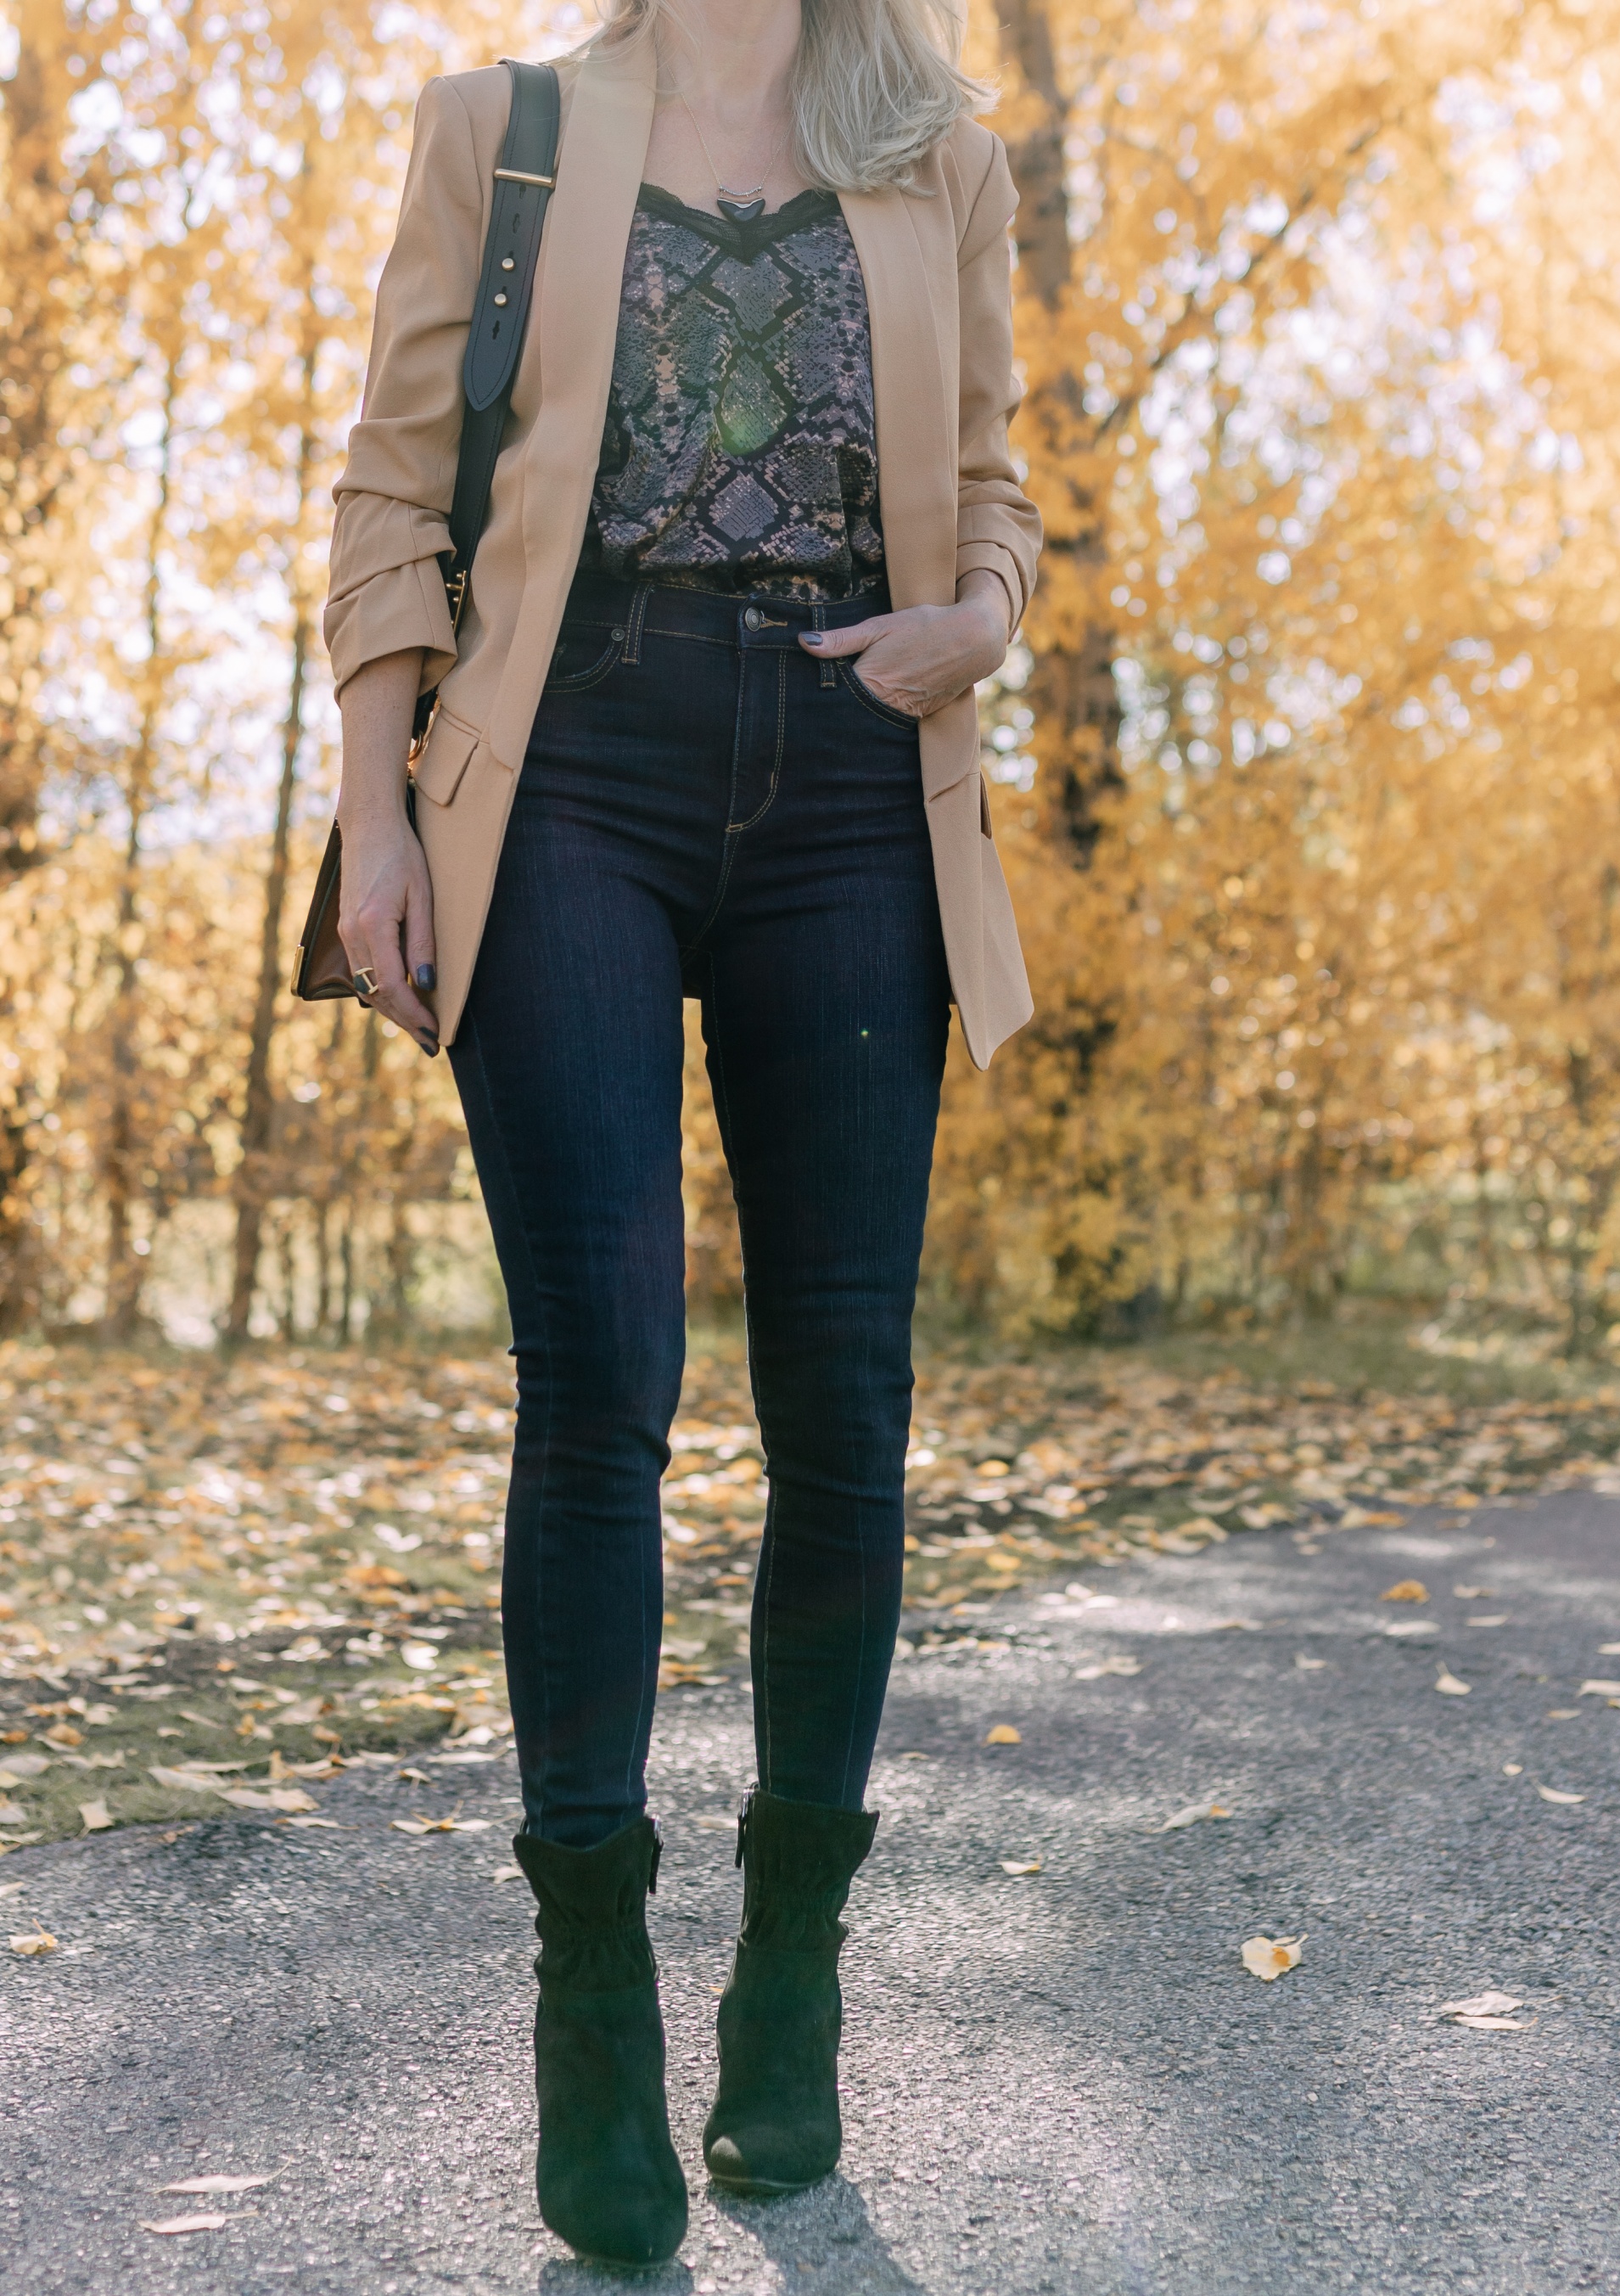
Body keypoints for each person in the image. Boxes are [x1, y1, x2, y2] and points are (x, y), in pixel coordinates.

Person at [323, 0, 1040, 2265]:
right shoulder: (505, 132)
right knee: (603, 1383)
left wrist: (977, 624)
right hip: (574, 778)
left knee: (841, 1402)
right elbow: (385, 483)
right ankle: (595, 1995)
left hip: (855, 781)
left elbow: (1001, 476)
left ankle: (793, 1972)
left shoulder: (940, 147)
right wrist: (372, 819)